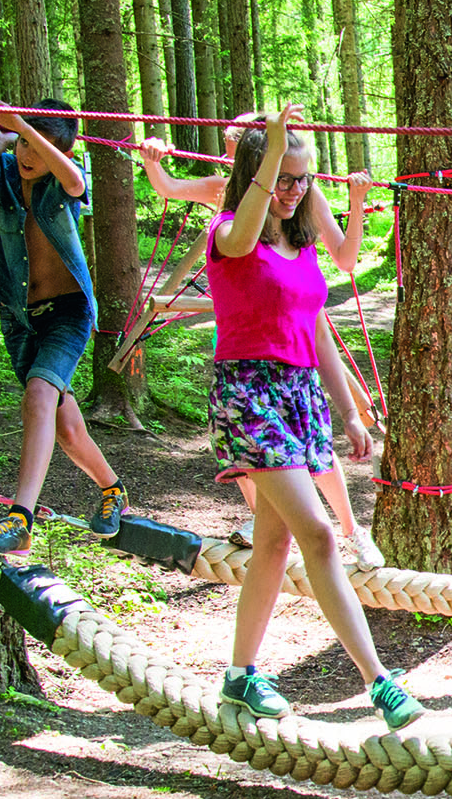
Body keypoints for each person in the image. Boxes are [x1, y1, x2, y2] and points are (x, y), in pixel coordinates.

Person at [203, 105, 422, 731]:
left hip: (298, 396)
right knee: (320, 537)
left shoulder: (300, 248)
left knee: (272, 544)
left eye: (304, 180)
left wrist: (348, 410)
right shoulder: (228, 234)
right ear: (260, 176)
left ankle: (240, 677)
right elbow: (243, 237)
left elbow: (319, 331)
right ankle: (379, 682)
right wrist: (270, 153)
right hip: (248, 394)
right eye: (285, 179)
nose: (296, 191)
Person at [138, 127, 385, 568]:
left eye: (301, 176)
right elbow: (178, 194)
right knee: (296, 514)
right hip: (248, 364)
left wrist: (357, 205)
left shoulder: (301, 216)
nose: (295, 186)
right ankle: (272, 519)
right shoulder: (225, 196)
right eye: (280, 168)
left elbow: (338, 269)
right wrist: (153, 160)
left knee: (316, 465)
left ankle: (339, 528)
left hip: (294, 357)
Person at [0, 97, 125, 555]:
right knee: (67, 429)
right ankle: (112, 489)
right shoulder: (8, 171)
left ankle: (19, 518)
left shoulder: (65, 181)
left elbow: (72, 179)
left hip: (68, 312)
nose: (28, 156)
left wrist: (24, 131)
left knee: (37, 396)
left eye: (40, 146)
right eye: (25, 145)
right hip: (19, 318)